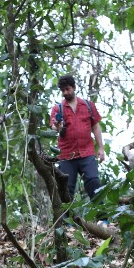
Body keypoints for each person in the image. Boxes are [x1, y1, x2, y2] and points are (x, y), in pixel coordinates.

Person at [47, 74, 104, 205]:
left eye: (67, 89)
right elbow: (53, 127)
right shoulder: (58, 108)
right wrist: (57, 125)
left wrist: (101, 148)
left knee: (94, 181)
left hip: (87, 152)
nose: (65, 93)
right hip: (67, 154)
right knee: (66, 188)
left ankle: (103, 219)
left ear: (74, 87)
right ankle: (66, 223)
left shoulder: (88, 105)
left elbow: (95, 126)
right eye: (63, 90)